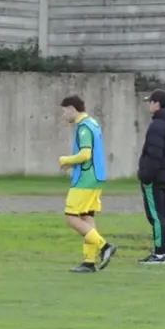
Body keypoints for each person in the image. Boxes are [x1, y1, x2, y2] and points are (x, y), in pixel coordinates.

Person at [59, 95, 117, 273]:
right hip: (96, 177)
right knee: (87, 217)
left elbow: (85, 154)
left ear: (72, 109)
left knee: (70, 217)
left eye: (64, 111)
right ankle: (89, 262)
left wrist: (66, 160)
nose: (63, 116)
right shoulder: (93, 123)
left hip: (85, 179)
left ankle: (104, 246)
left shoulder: (83, 127)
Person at [137, 88, 165, 264]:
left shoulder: (157, 125)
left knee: (155, 215)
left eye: (151, 101)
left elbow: (155, 154)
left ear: (156, 103)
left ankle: (160, 254)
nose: (149, 105)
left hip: (154, 178)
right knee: (164, 214)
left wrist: (145, 175)